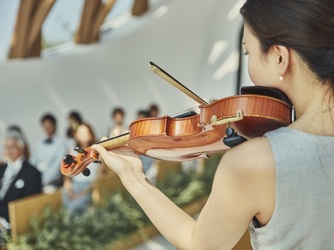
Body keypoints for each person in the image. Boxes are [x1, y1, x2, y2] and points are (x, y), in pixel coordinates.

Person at [91, 0, 334, 249]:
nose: (248, 62)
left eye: (248, 52)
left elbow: (199, 244)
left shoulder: (255, 162)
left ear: (280, 58)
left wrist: (133, 176)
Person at [0, 130, 41, 230]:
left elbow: (28, 205)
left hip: (12, 225)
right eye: (6, 147)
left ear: (21, 148)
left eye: (12, 147)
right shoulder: (2, 169)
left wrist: (4, 223)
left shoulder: (32, 173)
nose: (9, 150)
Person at [62, 123, 103, 214]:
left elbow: (98, 178)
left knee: (74, 207)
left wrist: (81, 194)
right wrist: (68, 189)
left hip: (89, 186)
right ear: (76, 135)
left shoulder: (96, 151)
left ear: (90, 134)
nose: (84, 135)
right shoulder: (72, 150)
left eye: (86, 132)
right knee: (66, 201)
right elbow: (67, 176)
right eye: (81, 133)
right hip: (75, 185)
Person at [31, 113, 68, 193]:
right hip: (38, 183)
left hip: (53, 183)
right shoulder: (38, 144)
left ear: (55, 126)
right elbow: (33, 162)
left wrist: (46, 180)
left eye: (49, 126)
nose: (47, 129)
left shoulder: (62, 144)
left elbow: (58, 164)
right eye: (45, 127)